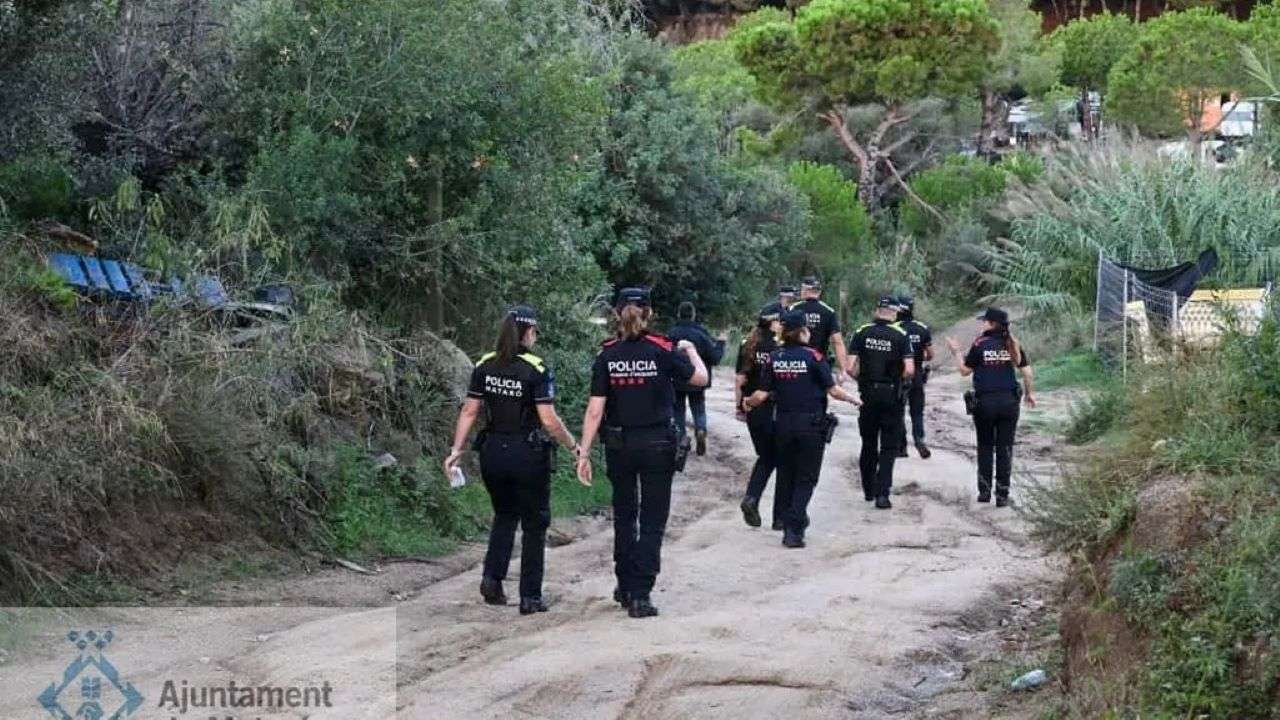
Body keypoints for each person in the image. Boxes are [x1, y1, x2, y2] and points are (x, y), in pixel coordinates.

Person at [577, 287, 709, 618]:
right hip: (657, 446)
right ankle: (640, 595)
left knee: (624, 517)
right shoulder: (663, 349)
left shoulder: (607, 354)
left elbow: (595, 410)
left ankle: (624, 585)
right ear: (649, 313)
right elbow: (701, 378)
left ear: (616, 313)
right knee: (652, 520)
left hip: (619, 446)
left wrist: (584, 453)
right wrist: (691, 350)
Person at [444, 305, 579, 615]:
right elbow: (548, 420)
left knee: (504, 515)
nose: (536, 337)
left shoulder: (484, 364)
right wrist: (573, 446)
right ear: (528, 332)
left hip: (492, 451)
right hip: (527, 453)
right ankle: (530, 596)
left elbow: (469, 410)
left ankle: (492, 580)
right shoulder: (536, 368)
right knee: (534, 522)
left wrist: (456, 450)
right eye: (535, 332)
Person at [742, 310, 860, 548]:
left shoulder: (775, 357)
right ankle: (794, 530)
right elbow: (832, 390)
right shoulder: (814, 356)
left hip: (783, 425)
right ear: (803, 331)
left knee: (786, 475)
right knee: (806, 478)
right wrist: (853, 399)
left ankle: (787, 521)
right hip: (811, 426)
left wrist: (748, 402)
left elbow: (761, 395)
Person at [944, 307, 1037, 507]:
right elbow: (1027, 373)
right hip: (1009, 403)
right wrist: (1030, 394)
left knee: (985, 446)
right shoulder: (1012, 343)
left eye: (984, 321)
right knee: (1005, 448)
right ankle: (1002, 495)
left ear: (992, 324)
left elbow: (964, 371)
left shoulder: (980, 344)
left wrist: (956, 352)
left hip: (985, 403)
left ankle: (984, 492)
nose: (982, 324)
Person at [848, 296, 915, 509]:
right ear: (895, 313)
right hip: (891, 395)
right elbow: (910, 369)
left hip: (868, 394)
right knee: (888, 446)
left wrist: (863, 379)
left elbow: (850, 367)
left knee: (868, 443)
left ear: (877, 310)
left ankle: (868, 489)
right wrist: (897, 380)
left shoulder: (862, 332)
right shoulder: (901, 335)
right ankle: (882, 494)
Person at [735, 308, 784, 530]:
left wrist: (739, 407)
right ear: (773, 323)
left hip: (753, 409)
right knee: (782, 460)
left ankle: (752, 497)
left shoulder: (748, 344)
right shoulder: (779, 347)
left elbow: (740, 380)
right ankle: (779, 517)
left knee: (766, 457)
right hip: (776, 409)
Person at [668, 301, 725, 456]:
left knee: (678, 410)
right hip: (698, 379)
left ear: (678, 314)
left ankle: (680, 439)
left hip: (677, 380)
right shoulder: (701, 334)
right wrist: (721, 343)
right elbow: (715, 358)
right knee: (698, 407)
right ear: (693, 315)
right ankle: (700, 429)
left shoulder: (671, 334)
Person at [789, 276, 849, 383]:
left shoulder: (794, 309)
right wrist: (843, 370)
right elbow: (837, 342)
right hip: (819, 362)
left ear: (805, 290)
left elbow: (783, 335)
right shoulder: (828, 311)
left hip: (796, 363)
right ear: (819, 292)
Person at [895, 295, 934, 459]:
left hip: (899, 375)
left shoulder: (894, 328)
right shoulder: (922, 328)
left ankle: (901, 447)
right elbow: (930, 355)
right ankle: (919, 440)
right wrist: (918, 356)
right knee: (917, 412)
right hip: (917, 375)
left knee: (898, 411)